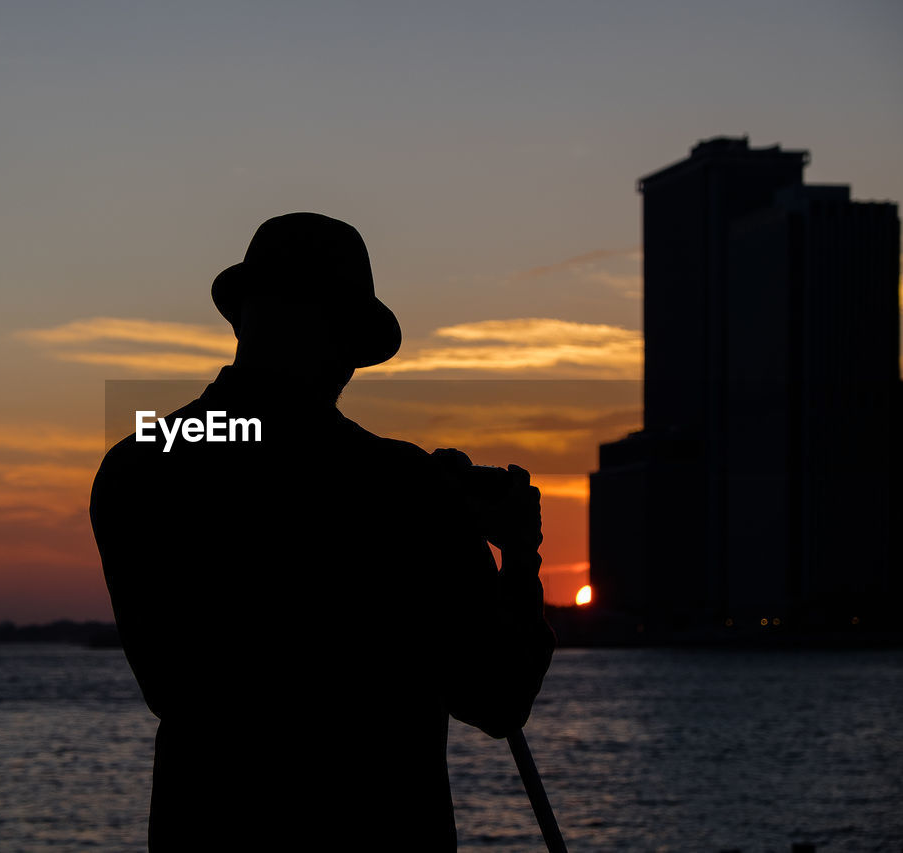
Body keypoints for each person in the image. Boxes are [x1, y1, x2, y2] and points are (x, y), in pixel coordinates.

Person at [89, 212, 555, 851]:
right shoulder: (399, 484)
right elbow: (498, 697)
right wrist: (518, 552)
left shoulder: (140, 464)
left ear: (243, 320)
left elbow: (174, 679)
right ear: (338, 336)